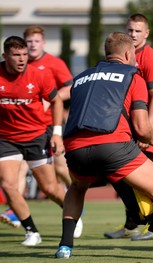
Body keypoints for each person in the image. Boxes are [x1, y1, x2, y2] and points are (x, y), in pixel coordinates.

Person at [54, 32, 153, 260]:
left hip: (74, 148)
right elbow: (142, 128)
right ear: (127, 53)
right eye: (133, 53)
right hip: (112, 146)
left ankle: (65, 247)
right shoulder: (133, 76)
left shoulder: (81, 77)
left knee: (76, 189)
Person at [0, 25, 83, 238]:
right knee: (8, 184)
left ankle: (74, 213)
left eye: (24, 55)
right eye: (16, 55)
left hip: (36, 135)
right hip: (7, 139)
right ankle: (31, 231)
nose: (21, 59)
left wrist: (56, 132)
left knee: (49, 188)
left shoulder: (40, 75)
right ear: (4, 56)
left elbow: (56, 101)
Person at [104, 13, 153, 241]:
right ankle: (132, 224)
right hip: (123, 127)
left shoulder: (151, 58)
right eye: (130, 30)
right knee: (120, 177)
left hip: (142, 125)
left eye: (138, 31)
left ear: (147, 33)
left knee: (140, 180)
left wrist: (146, 130)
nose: (133, 34)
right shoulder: (121, 56)